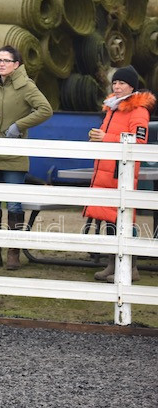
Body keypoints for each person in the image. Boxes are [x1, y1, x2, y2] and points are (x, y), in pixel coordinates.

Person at [0, 45, 52, 270]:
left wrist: (19, 125)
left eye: (6, 60)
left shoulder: (26, 86)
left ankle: (13, 253)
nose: (1, 64)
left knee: (13, 204)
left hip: (13, 155)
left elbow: (45, 109)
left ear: (16, 64)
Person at [85, 65, 155, 282]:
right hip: (107, 171)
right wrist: (98, 136)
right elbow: (111, 135)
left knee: (123, 219)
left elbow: (139, 140)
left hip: (120, 172)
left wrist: (105, 137)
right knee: (110, 219)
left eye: (121, 83)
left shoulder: (139, 110)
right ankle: (112, 264)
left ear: (131, 86)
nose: (116, 86)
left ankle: (130, 267)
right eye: (115, 82)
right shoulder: (112, 107)